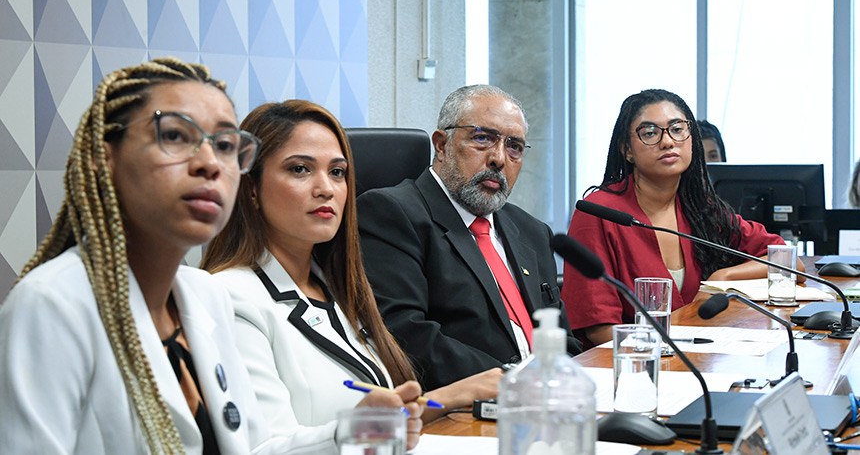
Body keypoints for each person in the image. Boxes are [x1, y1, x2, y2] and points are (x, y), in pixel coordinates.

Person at [0, 58, 298, 453]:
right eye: (174, 135)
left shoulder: (206, 294)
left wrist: (350, 431)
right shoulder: (51, 304)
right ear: (104, 158)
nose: (210, 163)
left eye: (226, 145)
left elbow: (254, 448)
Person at [202, 100, 487, 450]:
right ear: (250, 188)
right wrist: (355, 429)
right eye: (300, 169)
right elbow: (260, 448)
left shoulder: (336, 287)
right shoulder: (231, 296)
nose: (326, 188)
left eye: (337, 172)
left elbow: (383, 417)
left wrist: (455, 395)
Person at [357, 85, 581, 392]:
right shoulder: (391, 213)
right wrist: (514, 381)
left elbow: (561, 337)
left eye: (514, 147)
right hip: (461, 405)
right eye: (483, 138)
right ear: (442, 144)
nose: (499, 158)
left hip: (548, 400)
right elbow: (405, 335)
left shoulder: (531, 231)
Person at [562, 89, 792, 348]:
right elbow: (599, 330)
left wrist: (723, 278)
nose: (667, 142)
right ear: (627, 150)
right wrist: (674, 350)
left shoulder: (700, 208)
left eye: (677, 129)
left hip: (698, 356)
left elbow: (786, 260)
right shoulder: (598, 212)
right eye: (650, 133)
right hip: (632, 362)